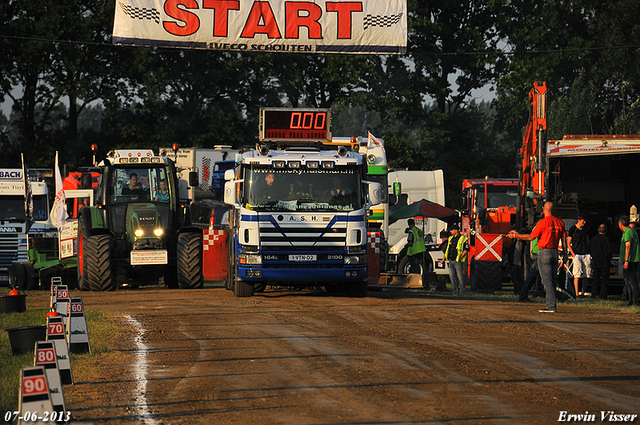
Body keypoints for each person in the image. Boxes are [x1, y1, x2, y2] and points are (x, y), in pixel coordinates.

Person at [508, 202, 567, 313]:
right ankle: (552, 304)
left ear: (544, 210)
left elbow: (531, 237)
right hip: (555, 252)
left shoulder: (542, 222)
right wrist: (564, 254)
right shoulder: (560, 223)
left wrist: (516, 235)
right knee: (553, 280)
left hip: (544, 252)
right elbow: (564, 240)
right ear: (553, 210)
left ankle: (550, 306)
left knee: (547, 280)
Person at [439, 224, 469, 294]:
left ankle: (462, 291)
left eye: (452, 230)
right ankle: (455, 290)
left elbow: (466, 249)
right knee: (452, 277)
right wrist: (443, 259)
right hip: (451, 260)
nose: (451, 231)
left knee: (460, 277)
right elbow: (447, 250)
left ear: (456, 230)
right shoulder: (450, 238)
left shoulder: (463, 239)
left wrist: (460, 257)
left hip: (458, 260)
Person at [618, 216, 640, 306]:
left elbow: (628, 246)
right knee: (630, 280)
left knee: (631, 281)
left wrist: (626, 260)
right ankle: (631, 299)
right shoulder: (632, 231)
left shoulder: (627, 232)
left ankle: (635, 300)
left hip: (630, 260)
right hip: (634, 259)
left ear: (621, 224)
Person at [567, 215, 591, 297]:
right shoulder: (573, 229)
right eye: (583, 221)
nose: (584, 222)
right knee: (577, 274)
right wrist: (573, 254)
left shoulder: (585, 229)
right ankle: (577, 293)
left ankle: (583, 292)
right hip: (577, 253)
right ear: (579, 220)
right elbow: (568, 242)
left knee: (587, 274)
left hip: (585, 253)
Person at [589, 224, 611, 300]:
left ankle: (593, 294)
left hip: (595, 261)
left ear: (598, 230)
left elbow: (590, 249)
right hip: (604, 262)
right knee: (605, 280)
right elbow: (607, 252)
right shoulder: (605, 239)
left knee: (595, 279)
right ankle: (603, 295)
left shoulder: (593, 239)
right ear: (606, 231)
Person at [518, 237, 539, 302]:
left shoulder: (534, 229)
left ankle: (523, 295)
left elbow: (531, 241)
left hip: (535, 253)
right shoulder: (541, 228)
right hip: (539, 252)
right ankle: (523, 295)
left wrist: (531, 253)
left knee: (533, 275)